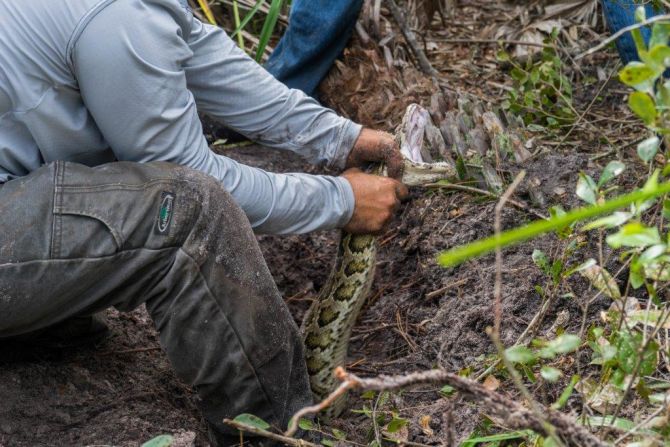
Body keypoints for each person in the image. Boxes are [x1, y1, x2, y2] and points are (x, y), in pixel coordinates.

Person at [0, 0, 409, 445]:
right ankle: (275, 430)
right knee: (189, 212)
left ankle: (39, 326)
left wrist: (340, 138)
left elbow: (206, 59)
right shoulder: (119, 14)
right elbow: (185, 171)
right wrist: (341, 201)